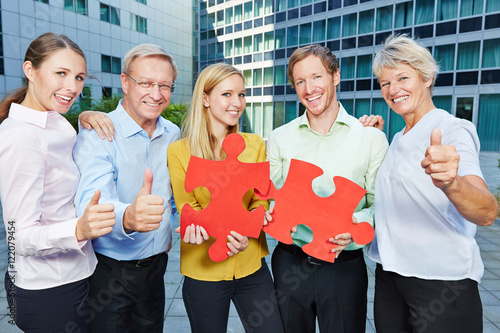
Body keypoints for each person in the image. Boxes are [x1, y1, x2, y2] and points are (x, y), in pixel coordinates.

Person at [366, 34, 498, 333]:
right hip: (391, 277)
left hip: (441, 283)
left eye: (402, 78)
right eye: (385, 83)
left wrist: (452, 183)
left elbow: (487, 211)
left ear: (426, 78)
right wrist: (371, 137)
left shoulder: (452, 130)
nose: (393, 89)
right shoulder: (399, 137)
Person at [264, 44, 389, 332]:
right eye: (300, 81)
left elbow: (377, 204)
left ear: (335, 77)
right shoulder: (279, 138)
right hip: (290, 264)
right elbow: (270, 198)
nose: (309, 88)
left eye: (317, 77)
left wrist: (356, 228)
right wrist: (266, 213)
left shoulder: (370, 138)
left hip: (343, 266)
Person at [0, 32, 115, 332]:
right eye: (60, 73)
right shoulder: (19, 137)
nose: (72, 87)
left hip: (76, 276)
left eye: (78, 77)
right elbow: (18, 237)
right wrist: (78, 229)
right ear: (30, 70)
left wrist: (83, 117)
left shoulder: (54, 119)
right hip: (49, 290)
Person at [167, 63, 284, 333]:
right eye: (227, 94)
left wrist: (247, 232)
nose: (237, 103)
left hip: (252, 268)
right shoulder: (179, 151)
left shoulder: (254, 144)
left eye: (241, 95)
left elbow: (260, 198)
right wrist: (197, 228)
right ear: (205, 99)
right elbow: (188, 206)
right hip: (203, 269)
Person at [73, 44, 181, 332]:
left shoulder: (173, 133)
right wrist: (129, 217)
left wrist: (169, 223)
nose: (156, 94)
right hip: (110, 272)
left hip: (157, 268)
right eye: (145, 83)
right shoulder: (97, 134)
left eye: (164, 85)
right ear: (124, 82)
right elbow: (91, 204)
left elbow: (173, 191)